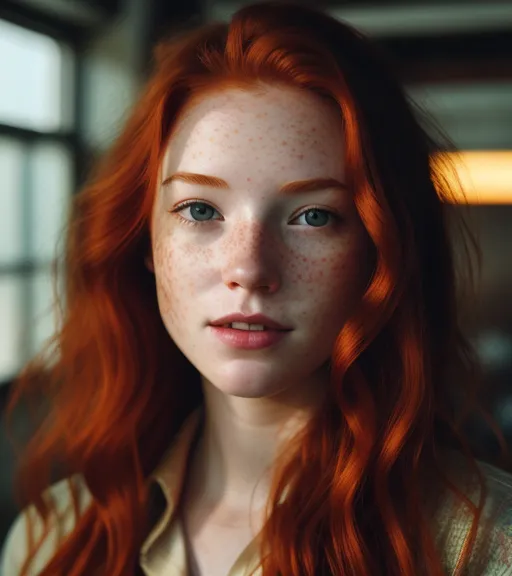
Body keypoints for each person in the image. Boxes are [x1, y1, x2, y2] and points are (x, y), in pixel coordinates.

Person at [1, 1, 512, 575]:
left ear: (380, 251)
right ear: (145, 241)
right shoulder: (53, 538)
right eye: (199, 209)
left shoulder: (482, 544)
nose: (248, 268)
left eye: (313, 216)